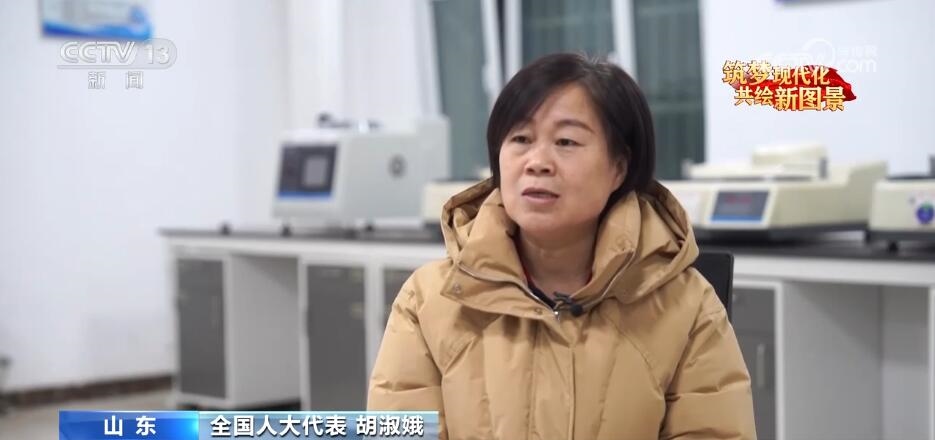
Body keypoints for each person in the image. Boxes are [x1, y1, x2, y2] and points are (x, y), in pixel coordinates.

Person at [368, 52, 756, 440]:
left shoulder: (688, 308)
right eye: (520, 139)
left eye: (566, 141)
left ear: (618, 168)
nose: (537, 162)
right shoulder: (429, 301)